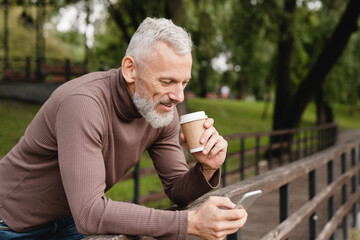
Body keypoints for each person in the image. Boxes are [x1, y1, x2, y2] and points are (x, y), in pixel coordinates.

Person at [0, 17, 247, 240]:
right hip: (11, 224)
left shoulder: (160, 112)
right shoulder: (83, 104)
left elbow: (176, 190)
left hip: (67, 220)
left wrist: (206, 167)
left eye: (184, 82)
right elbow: (90, 213)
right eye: (167, 81)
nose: (179, 96)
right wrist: (189, 222)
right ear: (130, 69)